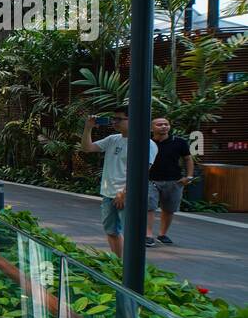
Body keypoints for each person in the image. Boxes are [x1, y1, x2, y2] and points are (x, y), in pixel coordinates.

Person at [82, 108, 158, 258]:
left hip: (128, 195)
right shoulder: (113, 139)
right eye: (113, 118)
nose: (114, 122)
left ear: (133, 120)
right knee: (111, 231)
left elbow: (142, 172)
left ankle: (130, 270)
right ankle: (118, 263)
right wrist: (88, 128)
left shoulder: (146, 144)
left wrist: (124, 192)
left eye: (119, 119)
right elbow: (87, 148)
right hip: (108, 194)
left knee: (132, 234)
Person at [147, 117, 194, 246]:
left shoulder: (179, 142)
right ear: (152, 128)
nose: (163, 126)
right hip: (150, 180)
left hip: (174, 181)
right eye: (159, 124)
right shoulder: (147, 142)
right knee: (149, 207)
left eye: (166, 124)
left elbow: (188, 159)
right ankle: (148, 235)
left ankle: (162, 234)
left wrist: (189, 176)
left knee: (168, 209)